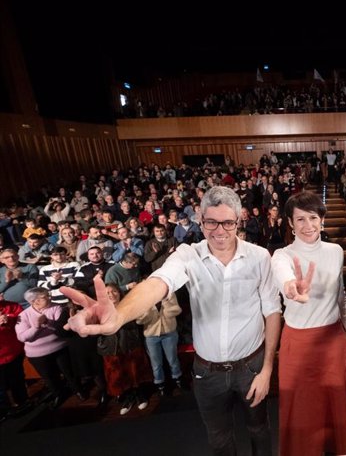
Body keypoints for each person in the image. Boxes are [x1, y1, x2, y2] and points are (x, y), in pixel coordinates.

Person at [61, 186, 281, 456]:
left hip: (252, 366)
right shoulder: (188, 255)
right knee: (219, 438)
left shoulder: (260, 258)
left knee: (259, 429)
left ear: (239, 221)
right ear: (201, 221)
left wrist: (267, 369)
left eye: (228, 222)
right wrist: (119, 314)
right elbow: (158, 284)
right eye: (211, 222)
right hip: (208, 372)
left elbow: (272, 311)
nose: (220, 230)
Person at [271, 191, 346, 456]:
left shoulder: (335, 251)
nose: (307, 226)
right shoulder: (281, 256)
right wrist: (293, 289)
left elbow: (340, 295)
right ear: (290, 223)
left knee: (335, 412)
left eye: (312, 218)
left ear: (322, 220)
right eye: (300, 219)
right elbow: (285, 280)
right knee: (299, 416)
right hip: (297, 345)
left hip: (333, 342)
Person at [96, 284, 152, 415]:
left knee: (135, 371)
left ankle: (140, 395)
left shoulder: (129, 305)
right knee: (118, 375)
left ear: (119, 292)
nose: (111, 294)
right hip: (111, 348)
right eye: (107, 292)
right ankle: (128, 397)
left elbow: (138, 321)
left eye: (114, 291)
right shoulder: (99, 310)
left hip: (130, 344)